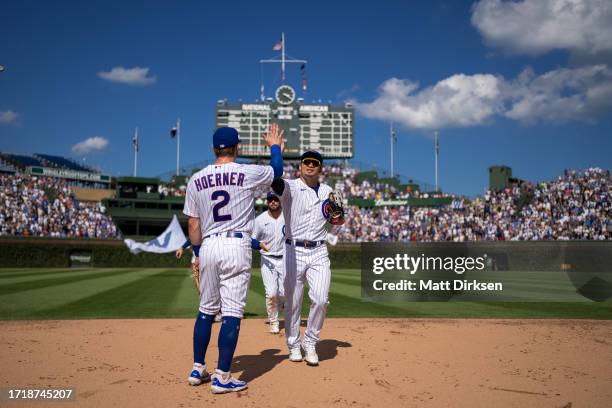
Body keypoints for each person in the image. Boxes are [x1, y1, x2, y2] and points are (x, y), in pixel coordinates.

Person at [183, 124, 284, 394]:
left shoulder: (196, 179)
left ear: (214, 148)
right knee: (231, 313)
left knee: (206, 310)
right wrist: (275, 146)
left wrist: (196, 253)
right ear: (236, 147)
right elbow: (277, 171)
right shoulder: (245, 171)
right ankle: (222, 377)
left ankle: (197, 369)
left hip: (209, 245)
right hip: (235, 244)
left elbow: (193, 224)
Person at [271, 150, 344, 366]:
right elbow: (275, 181)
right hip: (294, 250)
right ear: (300, 166)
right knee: (293, 302)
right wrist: (275, 151)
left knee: (321, 299)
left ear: (320, 167)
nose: (310, 165)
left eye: (315, 163)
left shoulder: (329, 191)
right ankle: (294, 344)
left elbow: (338, 219)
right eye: (306, 162)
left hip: (319, 250)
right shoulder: (290, 186)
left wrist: (336, 224)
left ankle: (310, 342)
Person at [252, 192, 286, 334]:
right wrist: (259, 244)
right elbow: (251, 239)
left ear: (280, 200)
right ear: (267, 202)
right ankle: (273, 321)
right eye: (270, 199)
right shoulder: (260, 220)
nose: (273, 202)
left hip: (285, 259)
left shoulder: (288, 217)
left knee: (284, 293)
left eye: (276, 199)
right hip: (267, 259)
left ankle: (284, 312)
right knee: (271, 293)